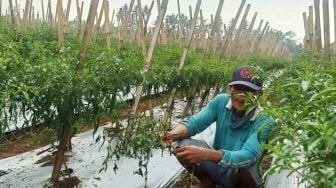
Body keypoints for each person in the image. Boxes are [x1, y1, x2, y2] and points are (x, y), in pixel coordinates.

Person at [161, 66, 274, 188]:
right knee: (181, 143)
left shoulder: (265, 119)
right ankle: (207, 182)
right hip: (218, 163)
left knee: (248, 170)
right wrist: (171, 135)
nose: (241, 95)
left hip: (237, 173)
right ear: (230, 88)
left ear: (259, 94)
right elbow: (194, 124)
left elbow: (249, 155)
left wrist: (207, 154)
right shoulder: (221, 101)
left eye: (249, 90)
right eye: (237, 88)